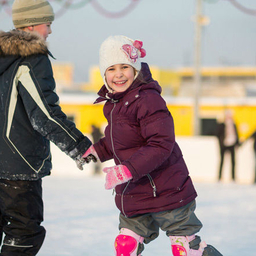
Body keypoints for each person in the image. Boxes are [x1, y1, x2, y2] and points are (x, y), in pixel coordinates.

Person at [83, 35, 222, 256]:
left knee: (185, 249)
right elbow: (115, 141)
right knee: (125, 246)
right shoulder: (114, 105)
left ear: (135, 69)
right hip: (134, 193)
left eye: (124, 67)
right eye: (111, 69)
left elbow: (161, 143)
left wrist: (127, 169)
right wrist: (95, 152)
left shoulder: (148, 99)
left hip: (167, 190)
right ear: (104, 74)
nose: (118, 74)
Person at [0, 0, 92, 255]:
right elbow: (44, 114)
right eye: (48, 24)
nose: (50, 31)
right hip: (18, 168)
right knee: (24, 233)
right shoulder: (32, 58)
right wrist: (80, 146)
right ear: (31, 25)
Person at [216, 110, 240, 182]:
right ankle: (219, 177)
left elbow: (236, 134)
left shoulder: (234, 124)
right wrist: (221, 142)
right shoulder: (222, 124)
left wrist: (237, 143)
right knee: (222, 161)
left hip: (232, 144)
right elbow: (218, 134)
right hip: (224, 145)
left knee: (233, 162)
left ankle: (233, 178)